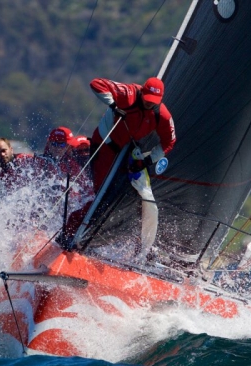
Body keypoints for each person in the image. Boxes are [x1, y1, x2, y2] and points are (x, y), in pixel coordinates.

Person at [61, 77, 176, 255]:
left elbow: (169, 141)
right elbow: (96, 84)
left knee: (132, 196)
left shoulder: (162, 115)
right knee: (103, 196)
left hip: (128, 152)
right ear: (142, 92)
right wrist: (114, 106)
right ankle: (70, 232)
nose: (148, 103)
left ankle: (135, 248)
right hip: (105, 146)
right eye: (146, 99)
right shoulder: (128, 93)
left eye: (153, 102)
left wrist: (148, 160)